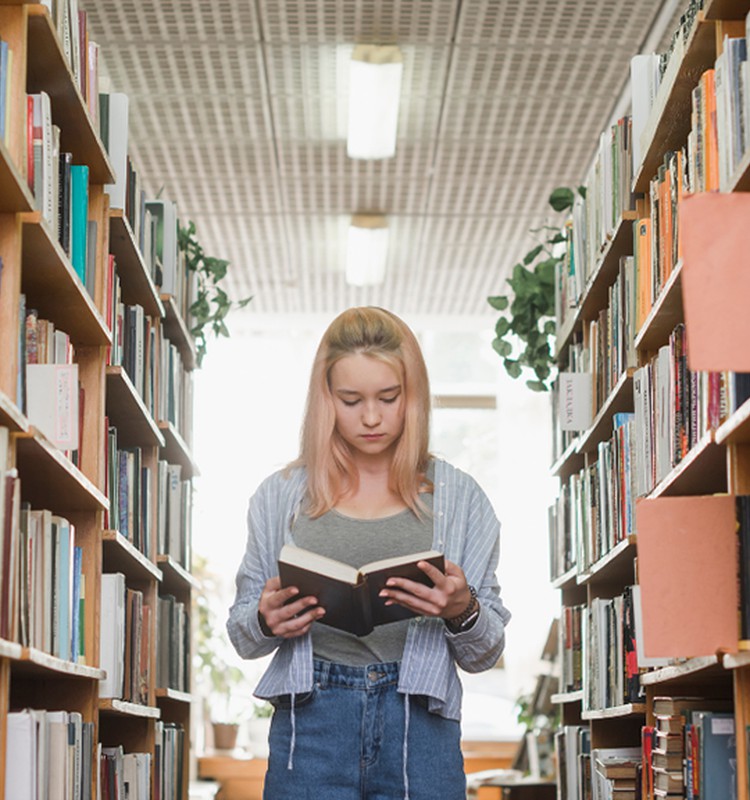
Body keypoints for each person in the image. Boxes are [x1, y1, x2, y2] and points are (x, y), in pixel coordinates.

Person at [227, 306, 511, 800]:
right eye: (351, 400)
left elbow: (485, 653)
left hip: (420, 730)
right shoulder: (278, 497)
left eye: (389, 397)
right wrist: (265, 620)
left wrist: (461, 610)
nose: (372, 417)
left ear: (413, 396)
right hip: (310, 727)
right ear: (325, 400)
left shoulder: (462, 500)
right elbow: (242, 637)